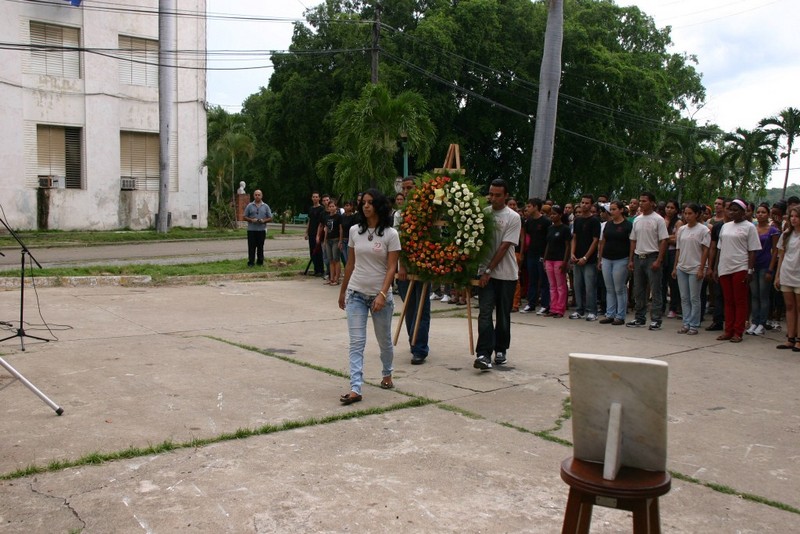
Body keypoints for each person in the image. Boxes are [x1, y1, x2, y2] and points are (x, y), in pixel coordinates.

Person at [337, 189, 401, 405]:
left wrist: (382, 294)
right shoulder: (354, 231)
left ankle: (387, 373)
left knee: (384, 341)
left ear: (379, 206)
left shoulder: (391, 234)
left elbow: (392, 268)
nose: (365, 206)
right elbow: (350, 264)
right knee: (356, 342)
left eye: (370, 202)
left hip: (380, 297)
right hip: (356, 293)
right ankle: (355, 388)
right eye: (363, 202)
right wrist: (343, 291)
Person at [474, 178, 522, 371]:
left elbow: (504, 247)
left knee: (503, 314)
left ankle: (500, 349)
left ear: (506, 196)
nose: (493, 198)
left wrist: (488, 270)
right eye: (491, 194)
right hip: (485, 274)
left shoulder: (513, 217)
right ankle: (483, 354)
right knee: (484, 313)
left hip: (506, 274)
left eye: (498, 195)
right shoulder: (483, 214)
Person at [396, 175, 432, 365]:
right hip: (405, 268)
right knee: (409, 308)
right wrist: (402, 265)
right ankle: (414, 341)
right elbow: (397, 242)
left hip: (424, 267)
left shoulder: (427, 210)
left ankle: (420, 348)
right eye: (404, 188)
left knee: (422, 308)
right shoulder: (399, 214)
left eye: (409, 188)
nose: (406, 192)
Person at [714, 199, 760, 342]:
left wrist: (750, 270)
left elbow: (752, 250)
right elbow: (719, 249)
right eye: (730, 210)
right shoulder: (725, 226)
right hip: (724, 267)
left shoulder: (749, 227)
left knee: (739, 301)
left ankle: (738, 332)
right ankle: (728, 330)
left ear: (743, 212)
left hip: (740, 267)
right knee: (728, 300)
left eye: (736, 210)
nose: (732, 212)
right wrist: (715, 268)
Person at [627, 192, 669, 330]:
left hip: (652, 256)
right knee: (638, 289)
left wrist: (659, 260)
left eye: (644, 201)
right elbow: (633, 240)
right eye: (640, 200)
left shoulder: (658, 219)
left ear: (652, 203)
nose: (641, 203)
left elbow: (664, 240)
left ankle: (656, 319)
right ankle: (639, 317)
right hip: (639, 256)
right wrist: (631, 259)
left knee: (655, 289)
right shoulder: (637, 220)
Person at [672, 203, 710, 335]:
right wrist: (675, 267)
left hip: (695, 267)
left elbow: (705, 250)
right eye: (685, 213)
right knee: (684, 297)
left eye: (690, 213)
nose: (687, 216)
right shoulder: (682, 229)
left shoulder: (703, 230)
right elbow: (678, 249)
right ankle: (686, 323)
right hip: (682, 267)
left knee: (694, 298)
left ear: (697, 214)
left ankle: (694, 324)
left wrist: (701, 268)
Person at [747, 203, 780, 335]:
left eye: (763, 212)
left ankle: (762, 323)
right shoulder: (752, 228)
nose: (760, 214)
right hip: (753, 265)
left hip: (765, 264)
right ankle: (754, 322)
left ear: (768, 214)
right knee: (754, 295)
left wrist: (770, 269)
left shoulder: (773, 230)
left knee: (763, 295)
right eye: (759, 212)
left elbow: (775, 251)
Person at [598, 201, 632, 325]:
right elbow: (603, 241)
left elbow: (632, 243)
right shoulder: (608, 224)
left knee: (619, 288)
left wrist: (630, 259)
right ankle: (610, 314)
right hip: (607, 258)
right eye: (611, 209)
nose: (612, 212)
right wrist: (600, 259)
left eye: (614, 209)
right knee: (609, 288)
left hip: (621, 259)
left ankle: (620, 315)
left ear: (621, 210)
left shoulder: (628, 225)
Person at [570, 194, 601, 321]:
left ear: (591, 205)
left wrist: (585, 257)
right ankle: (579, 310)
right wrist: (572, 253)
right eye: (582, 202)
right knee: (577, 286)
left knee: (589, 286)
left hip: (589, 260)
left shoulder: (595, 221)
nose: (584, 205)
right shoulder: (577, 220)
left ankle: (592, 311)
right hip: (577, 258)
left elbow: (595, 240)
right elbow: (574, 238)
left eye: (587, 203)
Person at [774, 206, 800, 351]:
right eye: (792, 216)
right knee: (789, 306)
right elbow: (781, 256)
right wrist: (777, 275)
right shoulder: (786, 234)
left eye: (797, 216)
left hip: (799, 275)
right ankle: (790, 338)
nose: (794, 219)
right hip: (787, 273)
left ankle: (799, 339)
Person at [521, 198, 551, 315]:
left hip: (542, 254)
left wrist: (546, 255)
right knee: (532, 279)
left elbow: (548, 240)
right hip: (531, 253)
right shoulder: (528, 222)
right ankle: (531, 303)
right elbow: (526, 237)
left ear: (536, 207)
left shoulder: (546, 221)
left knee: (543, 280)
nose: (527, 208)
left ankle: (545, 304)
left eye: (529, 206)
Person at [543, 205, 572, 318]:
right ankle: (553, 307)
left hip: (559, 259)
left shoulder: (565, 229)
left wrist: (565, 261)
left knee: (560, 285)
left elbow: (567, 246)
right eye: (551, 214)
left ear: (560, 215)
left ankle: (560, 309)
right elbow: (548, 244)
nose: (552, 216)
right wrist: (545, 259)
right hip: (549, 259)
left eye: (554, 214)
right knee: (552, 285)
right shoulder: (550, 228)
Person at [661, 200, 683, 318]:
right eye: (667, 207)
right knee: (661, 281)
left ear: (676, 210)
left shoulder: (678, 222)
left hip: (673, 252)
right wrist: (668, 238)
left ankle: (673, 307)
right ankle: (661, 306)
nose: (669, 209)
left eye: (672, 208)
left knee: (672, 281)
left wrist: (665, 238)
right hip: (662, 252)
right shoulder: (662, 221)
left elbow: (677, 239)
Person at [242, 189, 273, 267]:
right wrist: (251, 220)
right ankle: (251, 262)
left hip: (261, 230)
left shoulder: (265, 206)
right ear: (254, 196)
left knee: (260, 247)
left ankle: (260, 262)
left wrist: (263, 221)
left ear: (261, 196)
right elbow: (244, 217)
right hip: (251, 230)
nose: (257, 196)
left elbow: (270, 218)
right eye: (256, 195)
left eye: (259, 195)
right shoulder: (249, 206)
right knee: (251, 247)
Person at [322, 198, 343, 285]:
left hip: (336, 239)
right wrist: (324, 240)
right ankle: (331, 278)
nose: (331, 208)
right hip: (328, 240)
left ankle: (337, 279)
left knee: (336, 259)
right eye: (330, 206)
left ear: (336, 207)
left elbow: (341, 229)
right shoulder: (327, 217)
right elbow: (326, 229)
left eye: (333, 206)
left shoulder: (339, 217)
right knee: (330, 260)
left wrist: (340, 240)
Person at [305, 192, 325, 276]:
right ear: (312, 198)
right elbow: (309, 221)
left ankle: (321, 270)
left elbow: (321, 223)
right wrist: (306, 232)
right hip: (311, 232)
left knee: (318, 251)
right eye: (313, 197)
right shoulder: (311, 208)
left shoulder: (322, 209)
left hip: (318, 232)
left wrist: (319, 233)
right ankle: (316, 269)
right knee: (312, 251)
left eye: (317, 197)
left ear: (319, 198)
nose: (315, 198)